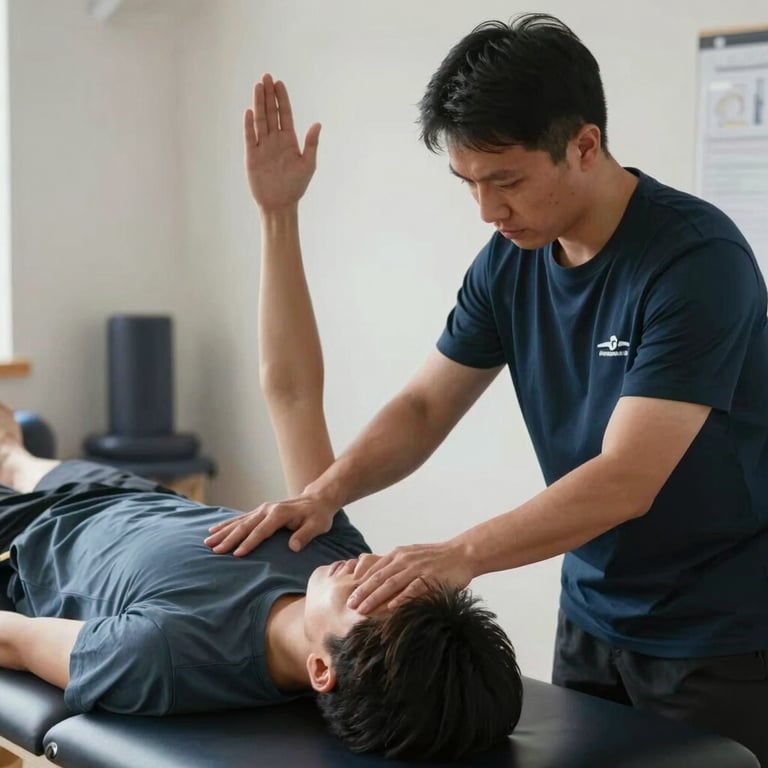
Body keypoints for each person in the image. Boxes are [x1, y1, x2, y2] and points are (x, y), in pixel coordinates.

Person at [204, 14, 768, 765]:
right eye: (469, 183)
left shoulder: (695, 262)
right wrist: (325, 491)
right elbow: (425, 406)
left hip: (719, 632)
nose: (487, 211)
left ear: (585, 147)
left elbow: (629, 477)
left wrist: (460, 555)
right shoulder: (510, 260)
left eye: (506, 181)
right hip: (594, 614)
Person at [0, 82, 523, 761]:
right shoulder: (330, 547)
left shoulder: (165, 654)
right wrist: (279, 216)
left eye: (377, 601)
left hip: (19, 549)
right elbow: (294, 395)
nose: (378, 573)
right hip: (119, 496)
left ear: (322, 670)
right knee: (13, 446)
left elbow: (11, 638)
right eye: (406, 589)